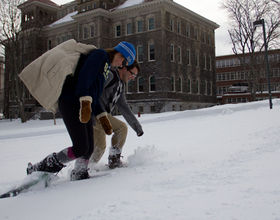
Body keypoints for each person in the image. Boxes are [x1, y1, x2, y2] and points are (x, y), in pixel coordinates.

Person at [26, 41, 136, 181]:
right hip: (72, 102)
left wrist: (102, 116)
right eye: (124, 61)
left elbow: (94, 94)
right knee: (80, 147)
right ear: (120, 53)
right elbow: (85, 77)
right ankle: (40, 168)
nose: (122, 65)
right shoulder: (100, 55)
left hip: (85, 106)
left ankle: (80, 172)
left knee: (89, 148)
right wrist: (85, 101)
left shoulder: (107, 66)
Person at [89, 60, 144, 169]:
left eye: (135, 76)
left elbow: (124, 107)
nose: (133, 77)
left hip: (100, 117)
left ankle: (85, 168)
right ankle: (114, 161)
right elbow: (92, 90)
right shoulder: (109, 76)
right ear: (124, 68)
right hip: (95, 113)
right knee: (121, 128)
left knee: (99, 147)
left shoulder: (121, 85)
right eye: (132, 74)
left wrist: (137, 127)